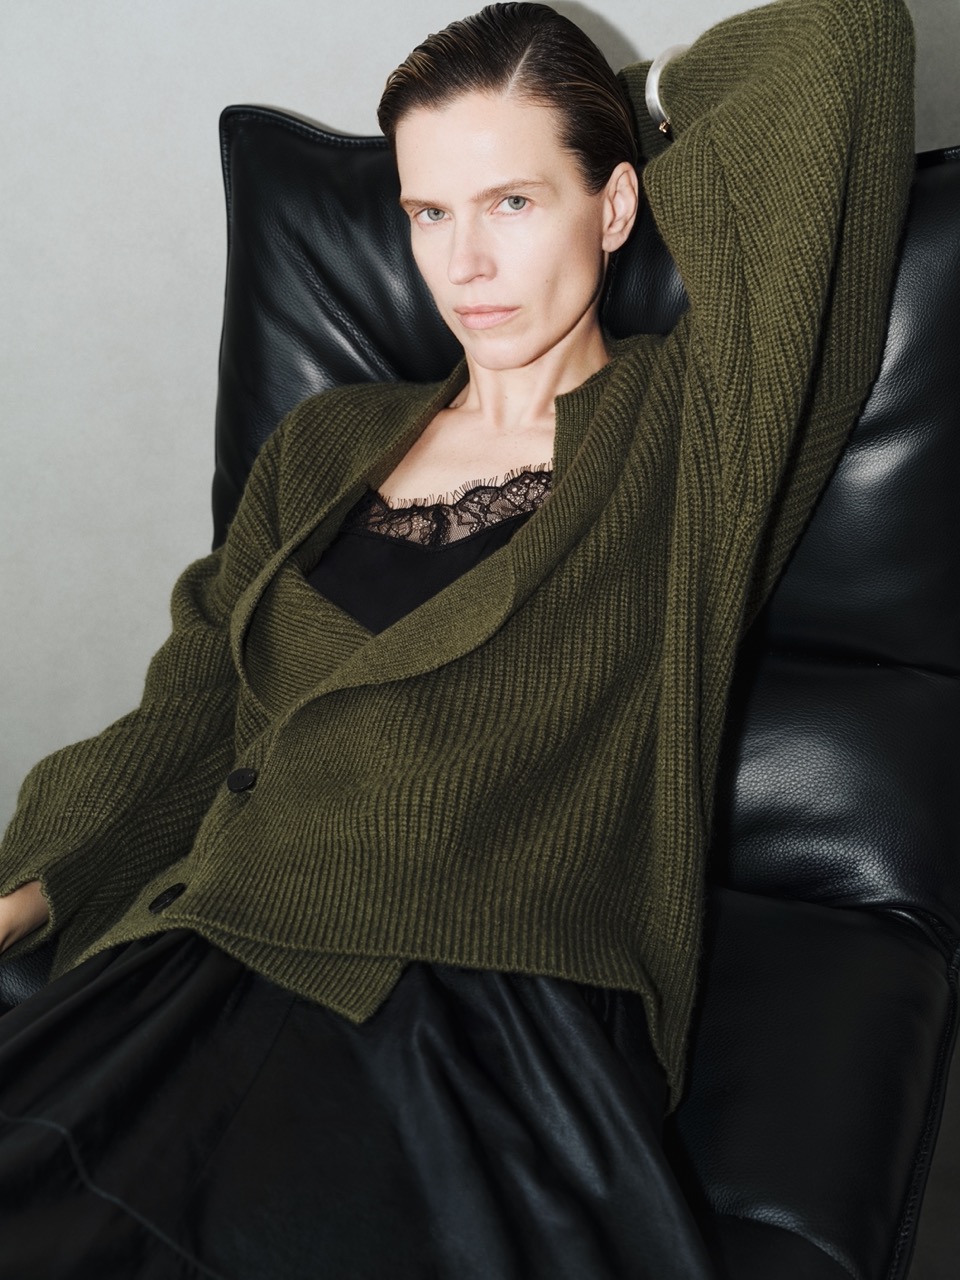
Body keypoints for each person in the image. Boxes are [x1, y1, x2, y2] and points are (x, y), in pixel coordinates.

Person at [0, 1, 915, 1276]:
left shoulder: (695, 434)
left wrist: (625, 97)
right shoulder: (323, 442)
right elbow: (192, 711)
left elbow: (844, 42)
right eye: (429, 212)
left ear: (614, 205)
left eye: (513, 203)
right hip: (210, 951)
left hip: (478, 1017)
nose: (465, 263)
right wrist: (22, 892)